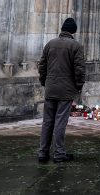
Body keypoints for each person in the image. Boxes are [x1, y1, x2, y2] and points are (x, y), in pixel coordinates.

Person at [37, 17, 85, 163]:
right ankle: (59, 154)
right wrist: (78, 85)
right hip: (66, 90)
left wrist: (44, 82)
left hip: (51, 88)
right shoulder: (76, 46)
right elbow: (79, 69)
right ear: (73, 31)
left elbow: (42, 66)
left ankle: (43, 153)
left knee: (47, 121)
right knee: (60, 122)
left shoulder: (50, 44)